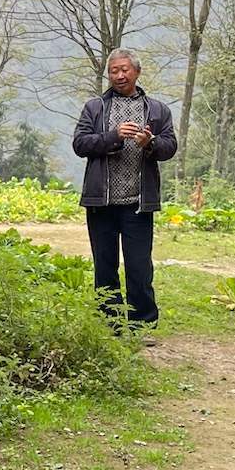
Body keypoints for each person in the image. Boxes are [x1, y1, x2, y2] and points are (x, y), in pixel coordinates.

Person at [72, 49, 178, 327]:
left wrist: (150, 143)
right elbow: (80, 144)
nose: (119, 75)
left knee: (139, 267)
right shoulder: (95, 107)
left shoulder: (157, 110)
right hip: (101, 203)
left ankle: (142, 323)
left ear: (137, 72)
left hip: (138, 203)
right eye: (113, 71)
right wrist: (113, 136)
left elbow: (170, 148)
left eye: (124, 70)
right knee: (104, 265)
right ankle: (109, 323)